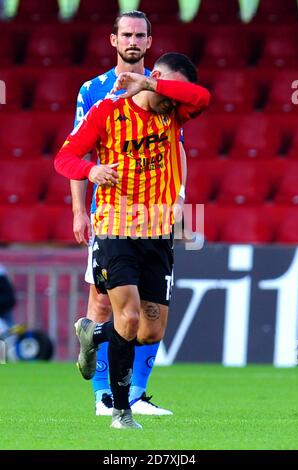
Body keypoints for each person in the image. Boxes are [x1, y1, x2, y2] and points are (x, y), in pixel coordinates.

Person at [55, 51, 210, 429]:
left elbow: (203, 97)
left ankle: (93, 334)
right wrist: (91, 170)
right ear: (156, 75)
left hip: (158, 233)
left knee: (150, 329)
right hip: (117, 228)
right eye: (168, 91)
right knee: (128, 316)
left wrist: (151, 85)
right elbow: (65, 158)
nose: (173, 100)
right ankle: (121, 411)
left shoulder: (171, 110)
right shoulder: (107, 112)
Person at [71, 10, 187, 416]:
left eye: (140, 34)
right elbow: (78, 150)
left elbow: (178, 146)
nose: (133, 40)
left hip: (155, 217)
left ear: (150, 42)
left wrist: (180, 197)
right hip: (110, 216)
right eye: (126, 34)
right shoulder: (94, 90)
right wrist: (78, 211)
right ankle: (103, 396)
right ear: (113, 40)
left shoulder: (164, 90)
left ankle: (136, 392)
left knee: (151, 312)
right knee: (104, 304)